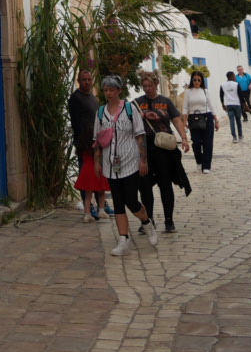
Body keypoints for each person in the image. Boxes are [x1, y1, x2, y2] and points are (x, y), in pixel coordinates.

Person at [95, 74, 158, 254]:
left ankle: (147, 223)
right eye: (106, 90)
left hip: (130, 162)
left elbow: (140, 136)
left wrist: (143, 160)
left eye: (112, 90)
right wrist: (97, 162)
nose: (109, 93)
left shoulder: (130, 110)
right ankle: (123, 240)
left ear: (119, 91)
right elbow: (97, 139)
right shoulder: (100, 113)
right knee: (118, 203)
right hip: (111, 164)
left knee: (131, 201)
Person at [135, 71, 191, 233]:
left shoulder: (165, 102)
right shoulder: (137, 103)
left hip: (163, 149)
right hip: (144, 148)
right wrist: (144, 114)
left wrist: (184, 138)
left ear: (156, 85)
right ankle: (148, 220)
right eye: (144, 86)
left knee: (165, 184)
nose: (147, 89)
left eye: (150, 86)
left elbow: (176, 120)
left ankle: (169, 220)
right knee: (145, 186)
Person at [69, 69, 109, 220]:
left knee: (99, 174)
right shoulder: (75, 98)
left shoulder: (92, 97)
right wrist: (83, 143)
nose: (87, 82)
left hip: (96, 143)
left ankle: (101, 205)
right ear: (79, 81)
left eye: (89, 79)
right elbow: (76, 123)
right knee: (86, 175)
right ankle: (89, 208)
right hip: (85, 145)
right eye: (83, 79)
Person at [182, 70, 221, 173]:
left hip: (206, 117)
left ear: (202, 81)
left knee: (208, 143)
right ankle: (199, 160)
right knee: (196, 142)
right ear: (192, 80)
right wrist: (184, 121)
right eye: (195, 80)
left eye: (199, 80)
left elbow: (211, 106)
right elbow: (185, 107)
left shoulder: (205, 91)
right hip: (193, 118)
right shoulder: (188, 92)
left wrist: (216, 120)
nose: (196, 82)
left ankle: (206, 166)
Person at [218, 71, 244, 141]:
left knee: (231, 121)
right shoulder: (236, 84)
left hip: (228, 104)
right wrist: (244, 103)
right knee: (238, 120)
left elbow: (221, 95)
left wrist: (223, 104)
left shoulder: (223, 85)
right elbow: (240, 95)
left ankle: (234, 137)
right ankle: (240, 135)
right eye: (234, 76)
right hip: (237, 104)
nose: (235, 77)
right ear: (232, 76)